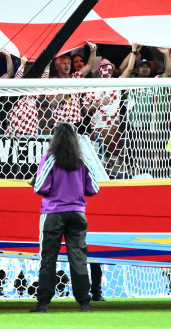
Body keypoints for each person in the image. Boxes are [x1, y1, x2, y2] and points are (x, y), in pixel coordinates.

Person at [31, 121, 100, 311]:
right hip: (77, 213)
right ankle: (84, 302)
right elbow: (94, 188)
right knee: (78, 257)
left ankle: (43, 303)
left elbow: (40, 187)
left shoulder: (50, 158)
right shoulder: (83, 159)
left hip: (53, 213)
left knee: (48, 257)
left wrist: (34, 182)